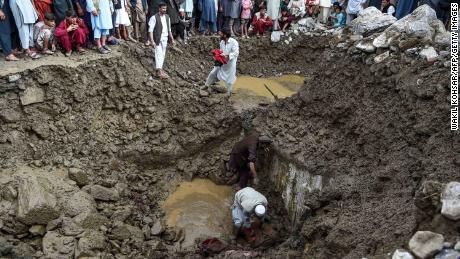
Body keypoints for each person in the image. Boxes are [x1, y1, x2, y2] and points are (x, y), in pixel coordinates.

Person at [204, 29, 238, 96]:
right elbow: (221, 51)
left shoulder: (234, 42)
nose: (219, 34)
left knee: (230, 78)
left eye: (221, 33)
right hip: (222, 61)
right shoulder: (222, 42)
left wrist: (227, 55)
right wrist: (216, 52)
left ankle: (229, 92)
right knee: (213, 72)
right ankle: (206, 85)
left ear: (225, 35)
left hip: (231, 63)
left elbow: (236, 53)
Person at [148, 2, 175, 79]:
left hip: (165, 38)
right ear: (159, 8)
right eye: (163, 8)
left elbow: (169, 30)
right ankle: (159, 71)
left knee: (162, 54)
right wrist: (152, 41)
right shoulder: (154, 17)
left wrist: (172, 39)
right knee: (158, 54)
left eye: (165, 8)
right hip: (157, 39)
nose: (164, 10)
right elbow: (150, 31)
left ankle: (159, 70)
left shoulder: (167, 17)